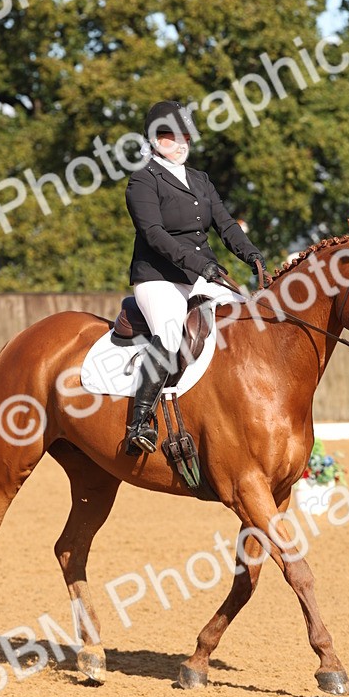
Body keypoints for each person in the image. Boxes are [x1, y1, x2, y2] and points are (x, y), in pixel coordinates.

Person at [124, 99, 269, 454]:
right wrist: (195, 263)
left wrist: (251, 254)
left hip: (203, 274)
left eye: (186, 135)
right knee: (171, 334)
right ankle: (138, 422)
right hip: (159, 277)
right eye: (174, 137)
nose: (183, 143)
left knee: (249, 323)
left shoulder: (200, 181)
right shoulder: (142, 181)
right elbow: (154, 234)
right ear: (157, 140)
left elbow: (225, 225)